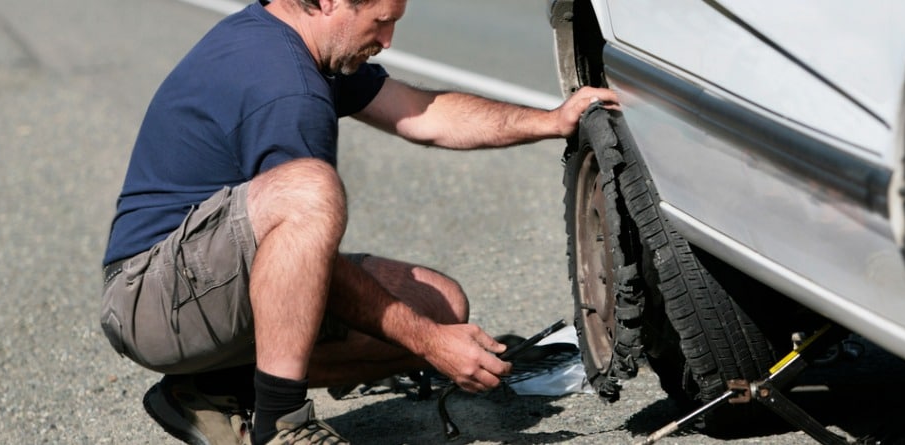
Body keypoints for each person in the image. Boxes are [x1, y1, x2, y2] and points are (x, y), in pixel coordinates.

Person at [98, 0, 618, 444]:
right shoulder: (286, 86)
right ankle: (283, 423)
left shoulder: (290, 37)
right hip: (151, 298)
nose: (388, 40)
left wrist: (550, 120)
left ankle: (212, 388)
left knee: (442, 303)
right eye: (380, 21)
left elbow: (425, 113)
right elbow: (304, 229)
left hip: (209, 278)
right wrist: (431, 343)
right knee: (311, 190)